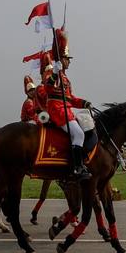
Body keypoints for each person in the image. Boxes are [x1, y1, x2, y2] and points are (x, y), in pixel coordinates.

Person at [36, 28, 92, 179]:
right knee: (78, 134)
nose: (69, 61)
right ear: (62, 59)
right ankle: (77, 167)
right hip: (57, 111)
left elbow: (70, 98)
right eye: (68, 59)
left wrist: (84, 102)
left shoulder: (66, 78)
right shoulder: (54, 73)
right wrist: (55, 72)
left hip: (66, 110)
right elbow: (47, 87)